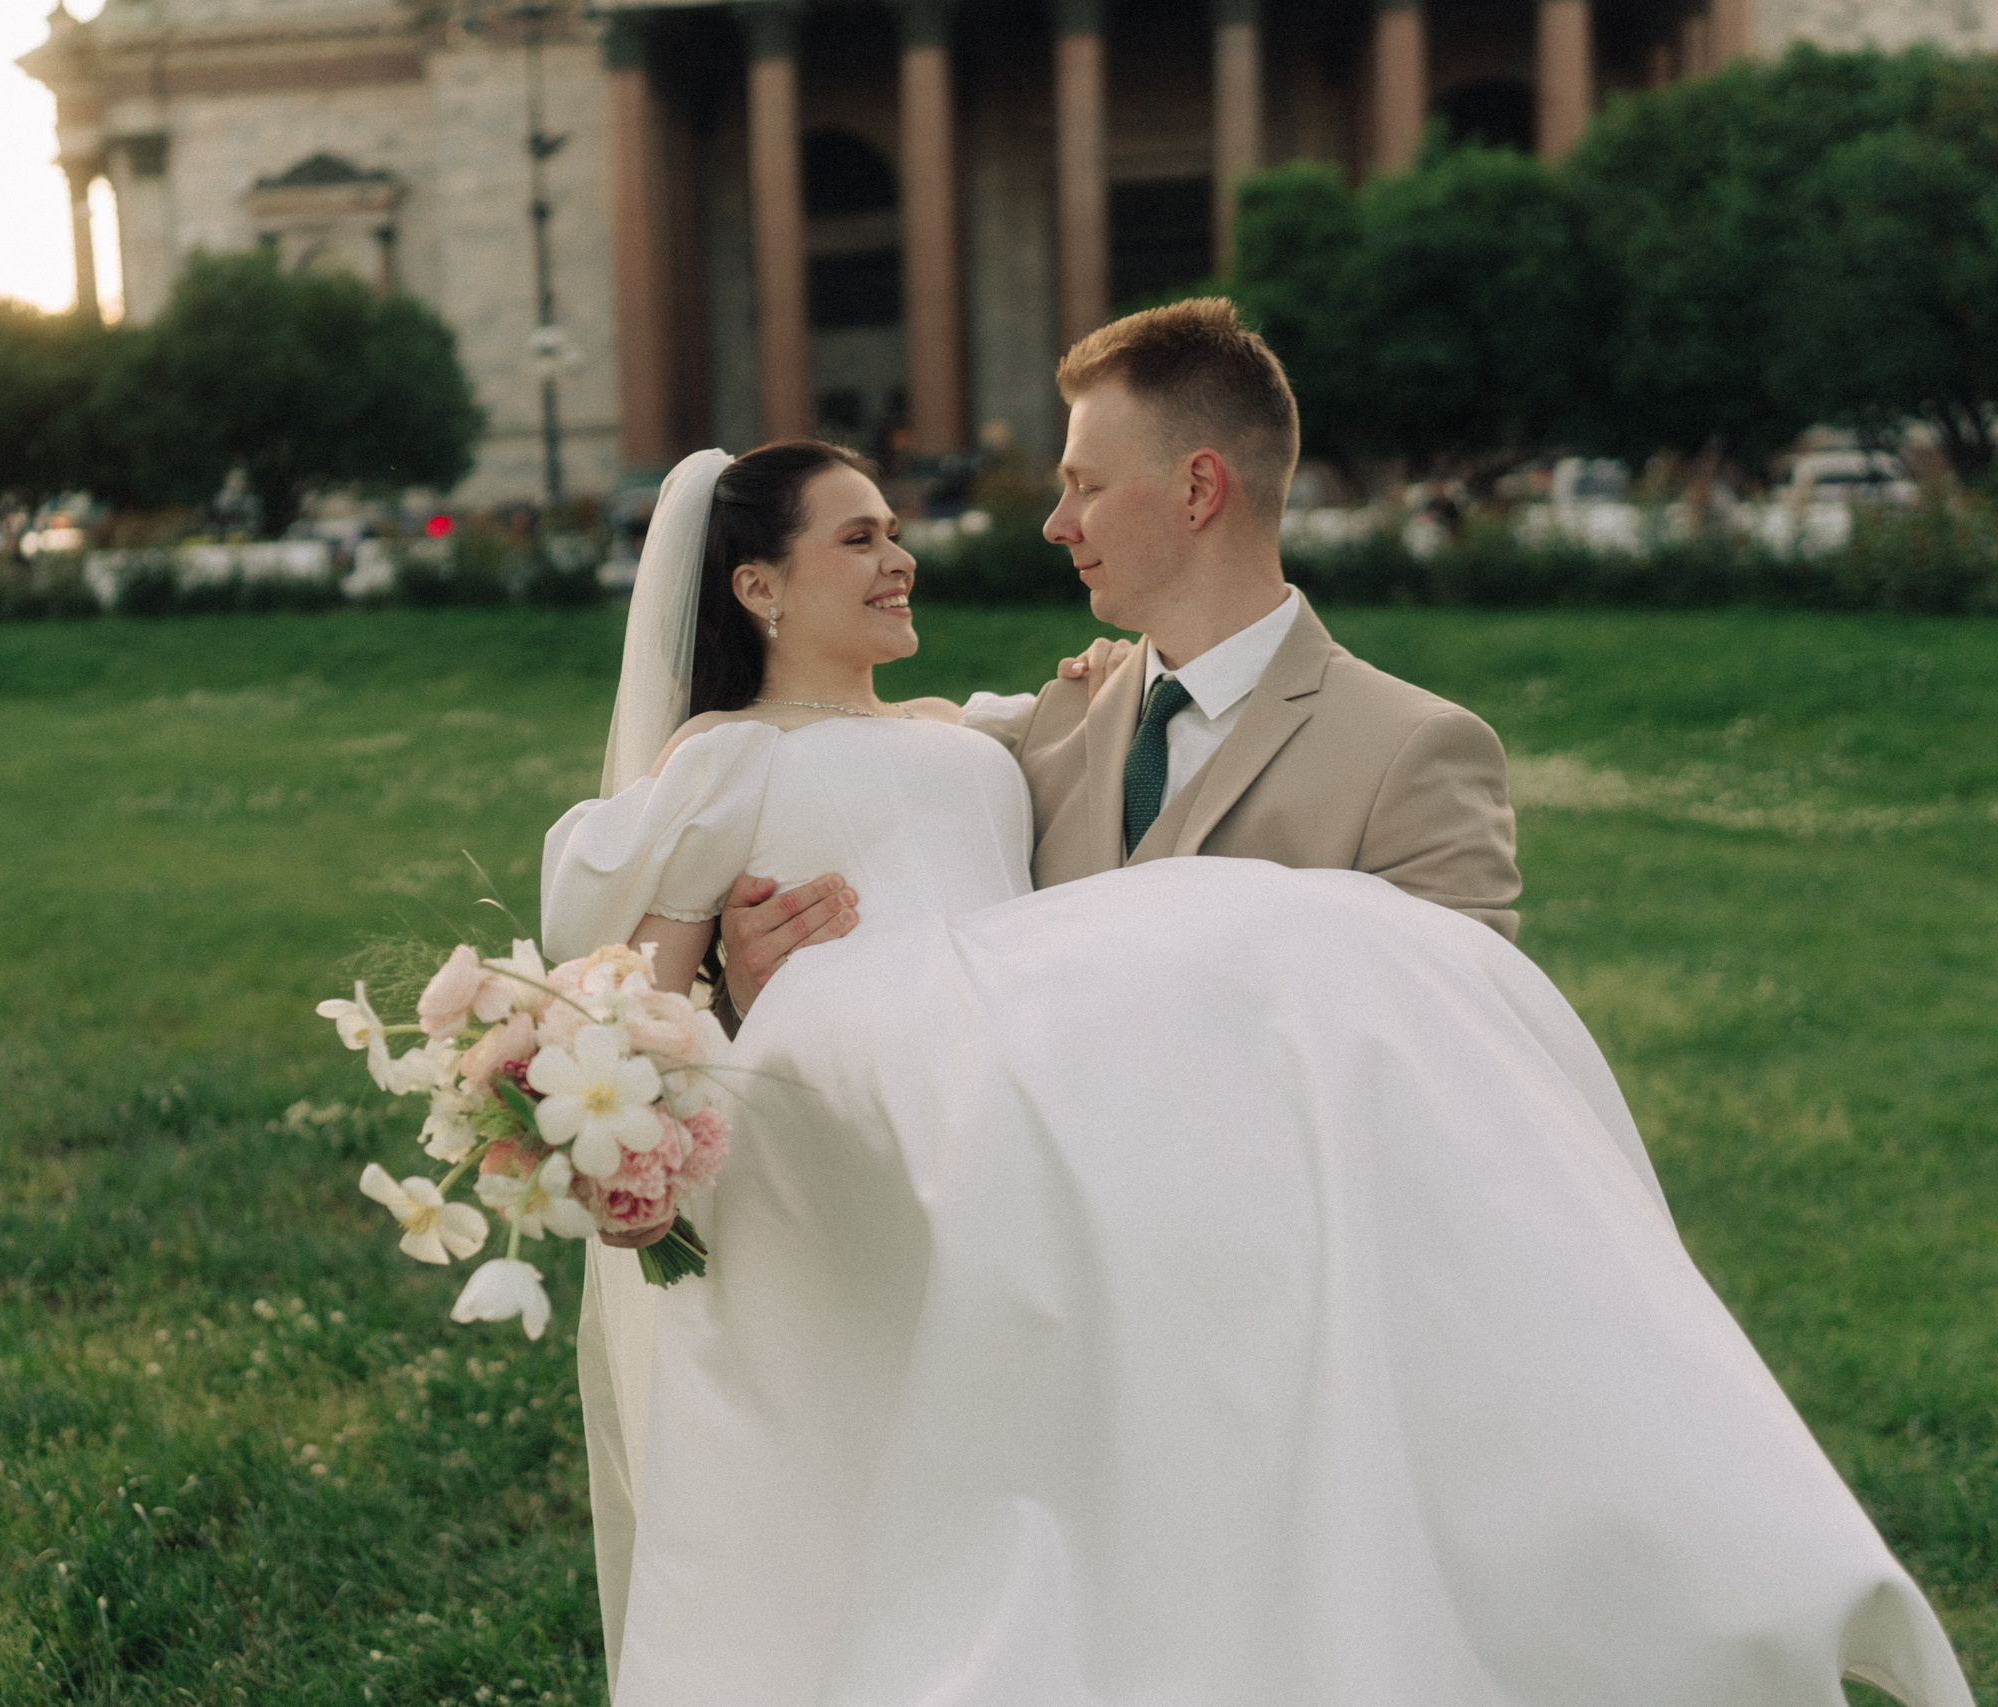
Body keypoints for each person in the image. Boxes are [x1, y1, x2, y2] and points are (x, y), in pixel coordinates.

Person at [541, 438, 1969, 1707]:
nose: (900, 551)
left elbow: (1076, 744)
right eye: (856, 535)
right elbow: (640, 985)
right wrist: (650, 1126)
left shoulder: (967, 727)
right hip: (870, 1072)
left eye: (894, 525)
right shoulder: (722, 758)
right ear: (757, 591)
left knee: (1275, 947)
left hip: (1021, 1069)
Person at [713, 299, 1519, 1021]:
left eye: (1086, 487)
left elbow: (1459, 1062)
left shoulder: (1414, 754)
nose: (1056, 524)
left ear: (1199, 489)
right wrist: (760, 979)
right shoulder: (1036, 738)